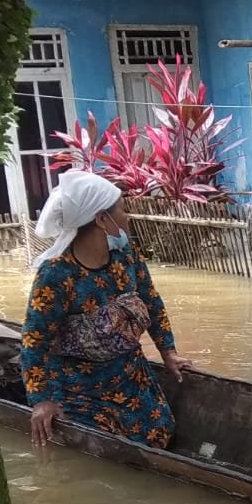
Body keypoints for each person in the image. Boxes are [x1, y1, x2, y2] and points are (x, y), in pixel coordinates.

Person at [19, 170, 191, 449]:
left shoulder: (126, 257)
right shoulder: (56, 275)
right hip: (78, 390)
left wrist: (168, 352)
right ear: (101, 219)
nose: (126, 217)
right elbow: (34, 341)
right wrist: (41, 399)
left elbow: (151, 300)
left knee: (160, 433)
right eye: (122, 210)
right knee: (102, 449)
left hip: (130, 377)